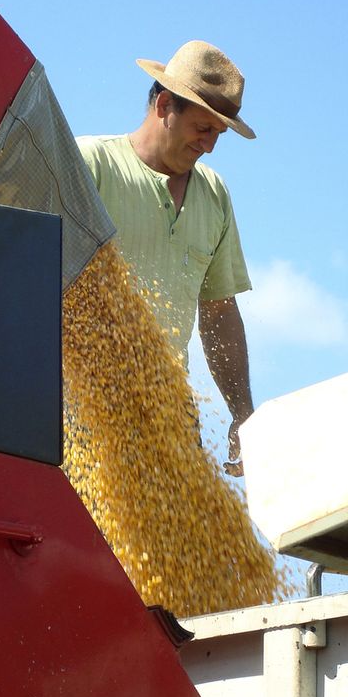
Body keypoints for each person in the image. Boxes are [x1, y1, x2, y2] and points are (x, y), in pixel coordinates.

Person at [76, 40, 255, 477]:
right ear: (163, 106)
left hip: (169, 410)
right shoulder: (92, 164)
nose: (209, 145)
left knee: (183, 537)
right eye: (201, 128)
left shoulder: (214, 196)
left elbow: (218, 312)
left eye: (218, 133)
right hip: (82, 403)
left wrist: (243, 414)